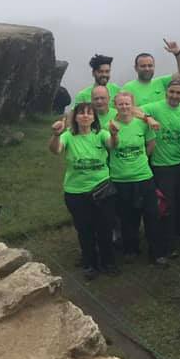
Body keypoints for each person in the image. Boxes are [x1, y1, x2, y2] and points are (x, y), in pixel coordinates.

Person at [48, 102, 119, 279]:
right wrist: (56, 135)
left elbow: (112, 145)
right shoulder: (68, 136)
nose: (85, 116)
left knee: (105, 228)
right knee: (84, 229)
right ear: (75, 117)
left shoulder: (101, 134)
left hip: (102, 189)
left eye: (89, 113)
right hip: (76, 192)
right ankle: (89, 264)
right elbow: (55, 150)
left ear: (94, 117)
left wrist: (114, 134)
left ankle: (108, 262)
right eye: (81, 113)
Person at [108, 91, 167, 266]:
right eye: (120, 104)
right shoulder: (108, 126)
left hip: (143, 176)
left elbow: (151, 145)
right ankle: (130, 249)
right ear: (115, 105)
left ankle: (157, 253)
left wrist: (139, 160)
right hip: (120, 179)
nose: (124, 107)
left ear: (132, 105)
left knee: (152, 215)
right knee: (127, 217)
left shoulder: (142, 124)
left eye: (127, 104)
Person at [144, 79, 180, 256]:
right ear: (166, 93)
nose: (174, 96)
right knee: (167, 204)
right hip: (162, 165)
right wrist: (147, 118)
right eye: (171, 92)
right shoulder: (155, 107)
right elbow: (131, 110)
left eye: (178, 93)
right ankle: (167, 240)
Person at [122, 40, 180, 107]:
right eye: (143, 66)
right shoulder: (128, 88)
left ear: (154, 67)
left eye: (150, 65)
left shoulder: (162, 82)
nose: (147, 69)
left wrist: (178, 53)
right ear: (136, 68)